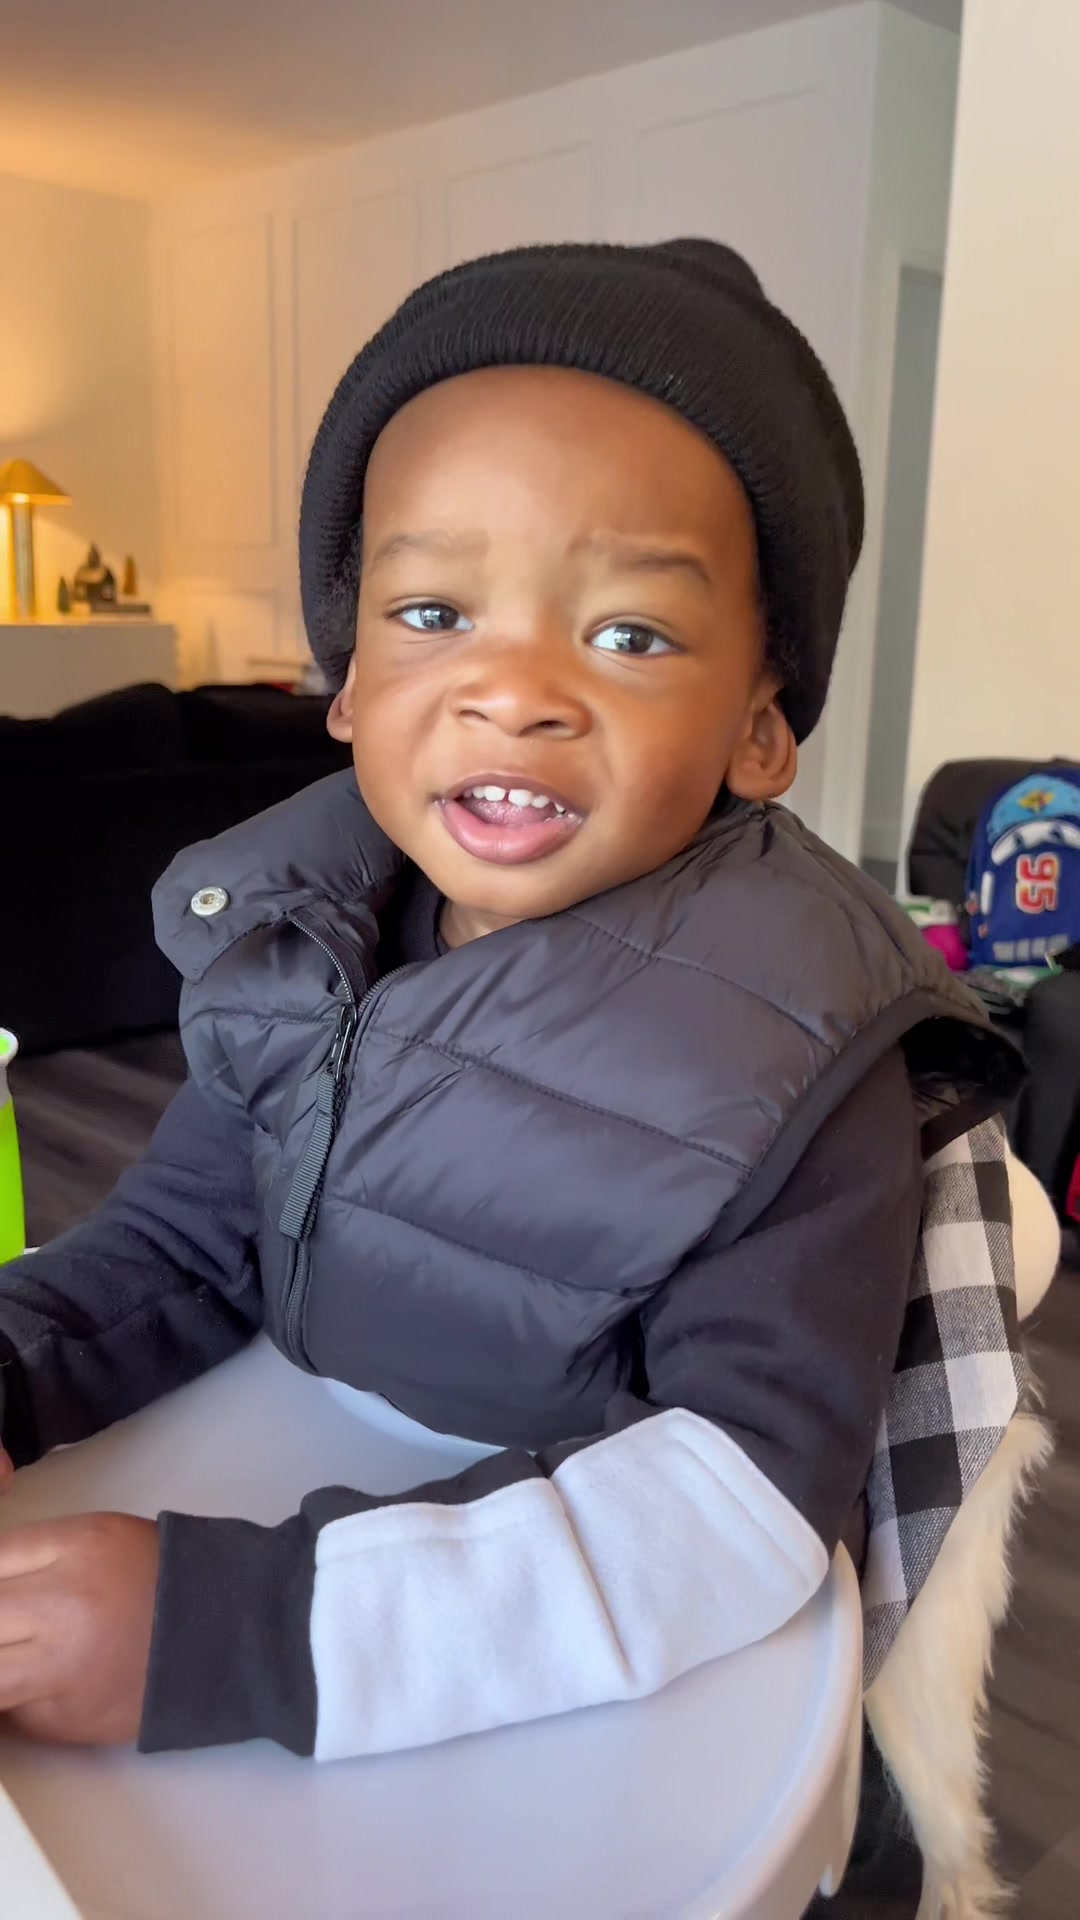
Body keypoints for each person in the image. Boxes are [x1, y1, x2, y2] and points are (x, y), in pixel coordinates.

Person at [0, 242, 1020, 1911]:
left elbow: (733, 1503)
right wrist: (15, 1366)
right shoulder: (299, 936)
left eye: (629, 631)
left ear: (762, 728)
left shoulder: (795, 1056)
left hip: (569, 1698)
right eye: (433, 613)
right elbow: (186, 1247)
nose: (514, 689)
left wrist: (243, 1634)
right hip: (285, 1468)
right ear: (347, 682)